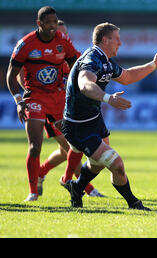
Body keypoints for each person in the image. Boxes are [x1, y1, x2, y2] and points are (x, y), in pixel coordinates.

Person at [61, 22, 157, 210]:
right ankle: (134, 203)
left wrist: (154, 64)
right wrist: (107, 98)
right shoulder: (91, 59)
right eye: (117, 39)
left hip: (93, 119)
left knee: (99, 162)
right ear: (105, 40)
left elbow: (127, 77)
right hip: (78, 126)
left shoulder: (106, 61)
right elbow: (85, 85)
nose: (120, 43)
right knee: (116, 164)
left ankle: (76, 187)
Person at [6, 6, 79, 202]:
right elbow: (10, 76)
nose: (53, 26)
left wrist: (75, 92)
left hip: (58, 100)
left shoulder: (62, 42)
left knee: (74, 146)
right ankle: (32, 192)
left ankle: (77, 184)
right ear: (39, 24)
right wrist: (19, 101)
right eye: (49, 22)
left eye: (55, 22)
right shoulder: (26, 44)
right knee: (34, 147)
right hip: (34, 98)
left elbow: (76, 65)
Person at [32, 19, 106, 198]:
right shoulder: (47, 58)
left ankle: (42, 173)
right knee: (72, 147)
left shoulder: (72, 56)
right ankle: (85, 188)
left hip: (68, 108)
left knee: (67, 150)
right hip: (52, 107)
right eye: (59, 33)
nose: (62, 37)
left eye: (64, 34)